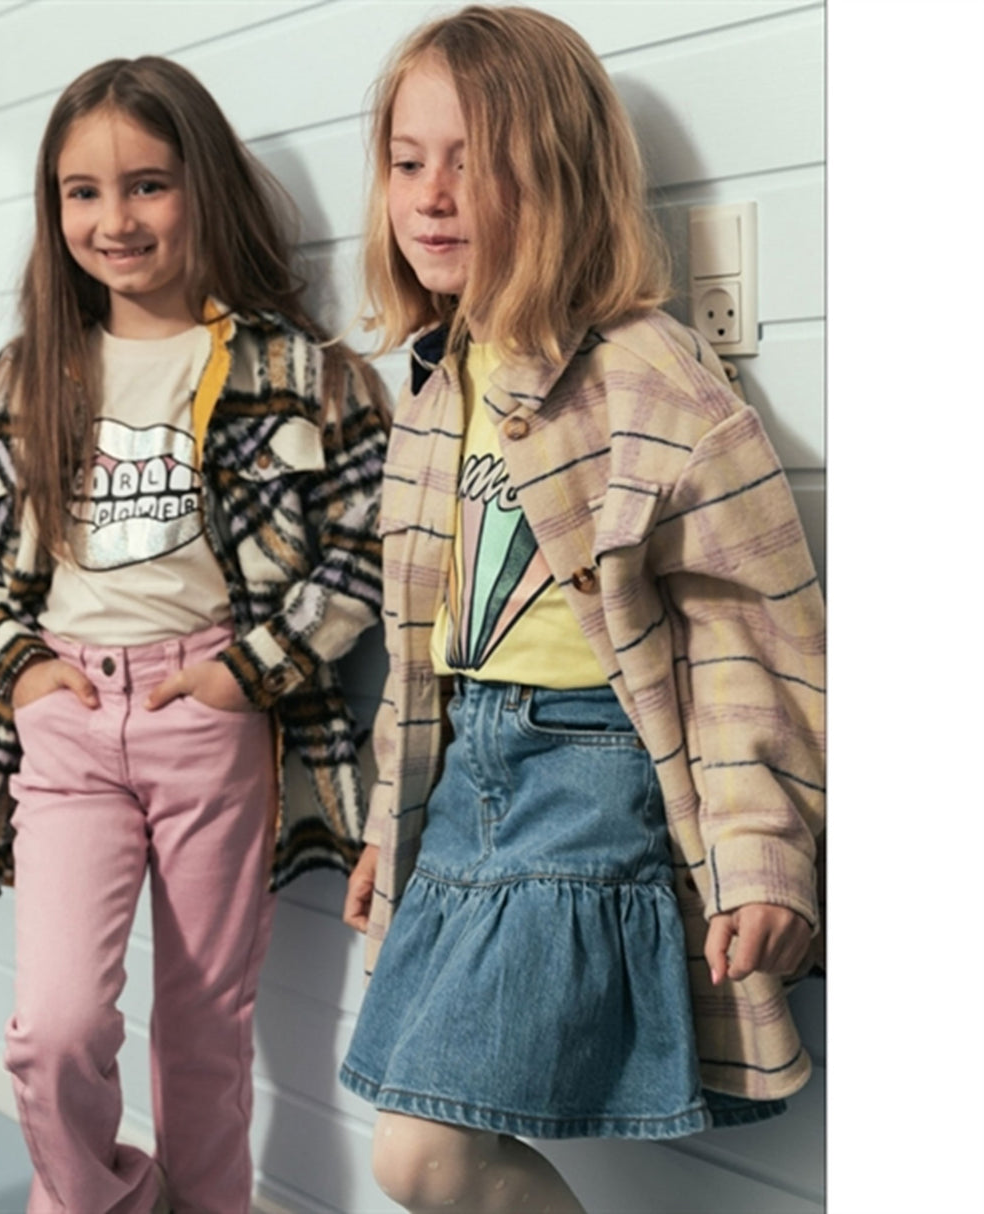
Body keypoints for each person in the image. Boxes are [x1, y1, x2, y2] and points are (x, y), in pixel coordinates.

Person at [338, 7, 825, 1211]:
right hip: (465, 783)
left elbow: (746, 638)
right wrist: (387, 820)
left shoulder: (648, 377)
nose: (431, 196)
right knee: (416, 1143)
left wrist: (764, 855)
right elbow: (419, 650)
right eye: (407, 161)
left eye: (474, 162)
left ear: (557, 176)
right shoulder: (433, 385)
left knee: (422, 1153)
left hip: (586, 778)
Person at [0, 55, 386, 1214]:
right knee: (54, 1028)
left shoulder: (299, 373)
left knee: (204, 1025)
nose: (114, 219)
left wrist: (245, 673)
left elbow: (364, 545)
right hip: (69, 721)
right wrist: (22, 667)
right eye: (81, 192)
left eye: (146, 184)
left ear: (202, 187)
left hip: (207, 716)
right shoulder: (17, 380)